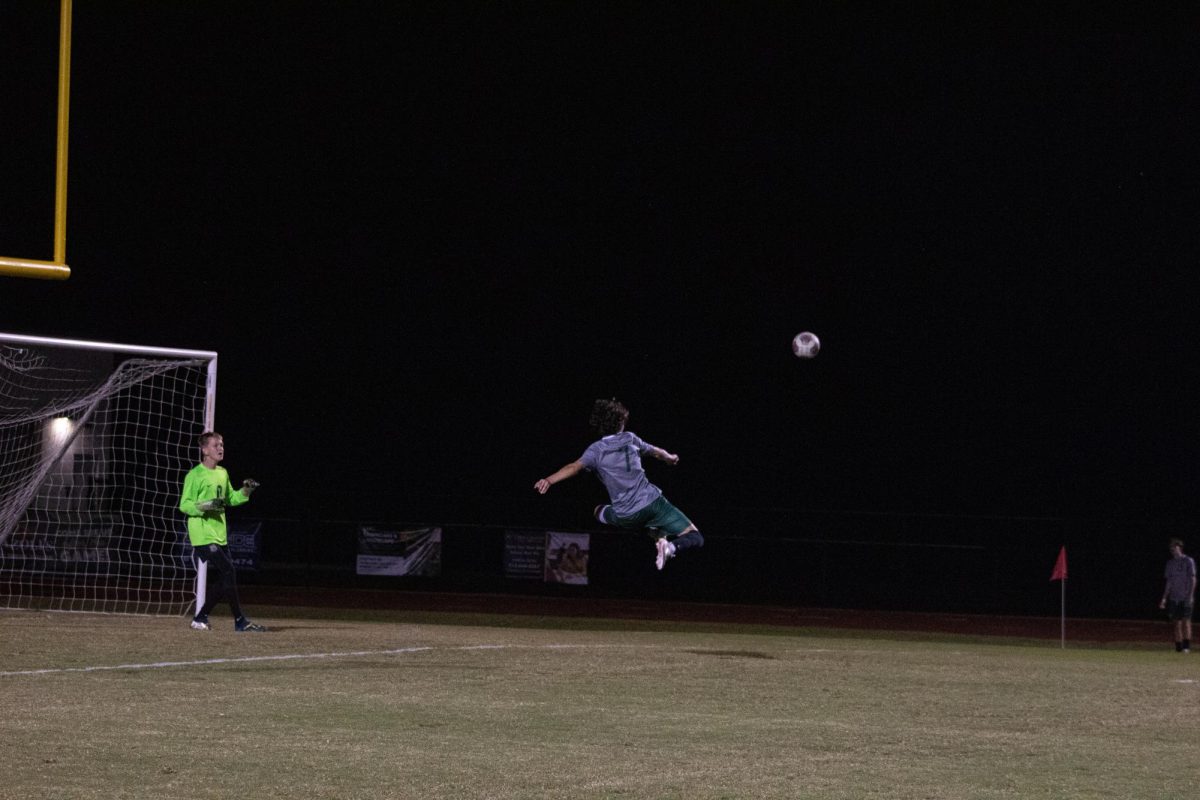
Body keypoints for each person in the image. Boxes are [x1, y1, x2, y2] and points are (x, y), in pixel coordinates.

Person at [534, 398, 704, 570]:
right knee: (695, 536)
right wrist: (670, 458)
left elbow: (574, 467)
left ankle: (660, 538)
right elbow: (657, 453)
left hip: (626, 516)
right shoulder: (630, 438)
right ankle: (670, 546)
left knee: (598, 511)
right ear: (621, 421)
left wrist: (548, 480)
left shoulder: (596, 450)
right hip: (654, 504)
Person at [179, 431, 265, 632]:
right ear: (204, 450)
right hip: (203, 534)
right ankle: (240, 621)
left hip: (219, 534)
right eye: (216, 445)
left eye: (222, 445)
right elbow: (185, 505)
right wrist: (206, 505)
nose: (221, 448)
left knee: (227, 576)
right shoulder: (195, 475)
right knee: (229, 571)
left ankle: (200, 618)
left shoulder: (222, 473)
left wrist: (246, 490)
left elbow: (231, 499)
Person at [1159, 538, 1196, 653]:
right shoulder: (1170, 563)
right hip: (1174, 598)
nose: (1172, 550)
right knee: (1176, 623)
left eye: (1174, 548)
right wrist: (1164, 598)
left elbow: (1193, 579)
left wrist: (1190, 595)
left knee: (1186, 621)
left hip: (1185, 597)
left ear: (1180, 548)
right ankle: (1178, 648)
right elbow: (1169, 582)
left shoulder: (1188, 561)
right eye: (1171, 548)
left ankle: (1187, 647)